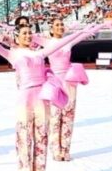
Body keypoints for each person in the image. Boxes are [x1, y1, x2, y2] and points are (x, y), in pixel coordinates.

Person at [0, 24, 98, 171]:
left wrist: (80, 32)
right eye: (24, 33)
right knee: (24, 138)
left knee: (41, 138)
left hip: (41, 98)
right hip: (25, 99)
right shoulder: (13, 54)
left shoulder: (39, 52)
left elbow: (59, 44)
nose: (28, 35)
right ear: (17, 36)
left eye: (30, 32)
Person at [37, 19, 106, 161]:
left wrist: (102, 25)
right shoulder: (46, 42)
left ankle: (65, 149)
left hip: (69, 82)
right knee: (55, 117)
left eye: (61, 24)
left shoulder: (68, 41)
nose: (60, 26)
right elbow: (26, 37)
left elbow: (85, 33)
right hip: (55, 82)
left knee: (68, 116)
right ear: (51, 28)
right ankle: (56, 149)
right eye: (57, 24)